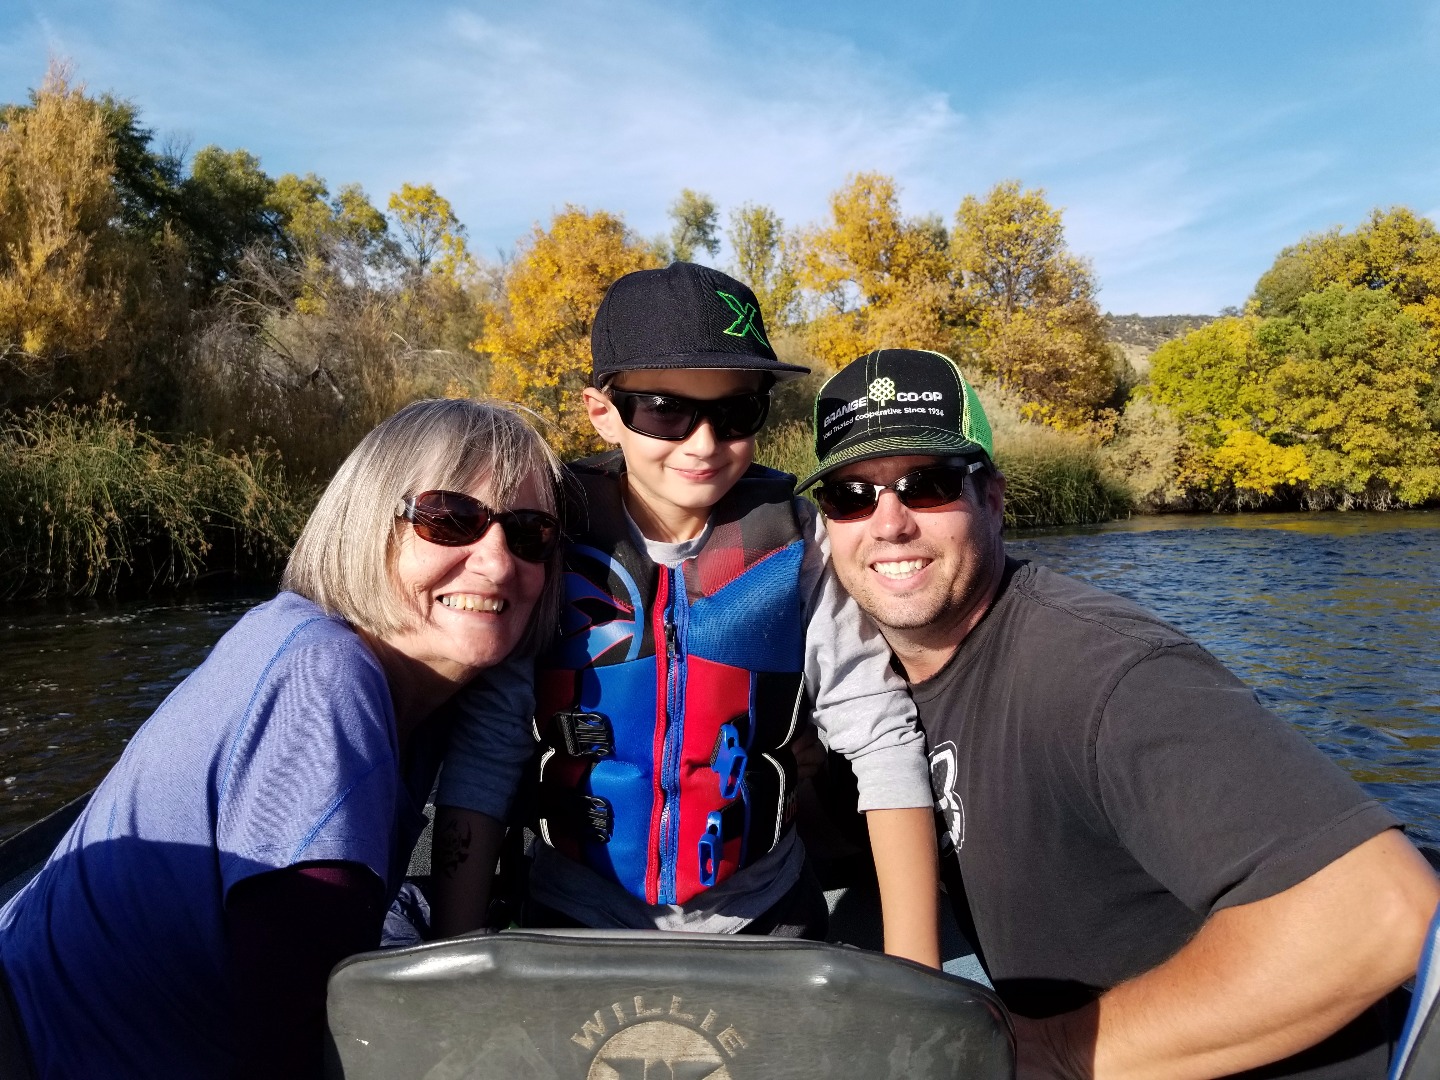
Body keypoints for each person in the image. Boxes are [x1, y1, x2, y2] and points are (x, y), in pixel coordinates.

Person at [801, 347, 1440, 1079]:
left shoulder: (1098, 673)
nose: (889, 523)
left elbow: (1380, 912)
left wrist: (1051, 1054)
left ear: (995, 501)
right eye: (851, 495)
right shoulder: (869, 694)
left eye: (929, 485)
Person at [0, 398, 563, 1079]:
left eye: (530, 533)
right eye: (449, 520)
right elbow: (295, 1035)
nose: (499, 563)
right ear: (366, 526)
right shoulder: (323, 676)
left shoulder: (380, 676)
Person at [434, 263, 941, 965]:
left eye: (736, 413)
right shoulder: (541, 543)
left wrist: (916, 973)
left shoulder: (801, 545)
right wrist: (455, 958)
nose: (703, 443)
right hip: (570, 921)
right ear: (602, 411)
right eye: (664, 410)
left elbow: (879, 737)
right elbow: (488, 751)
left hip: (770, 920)